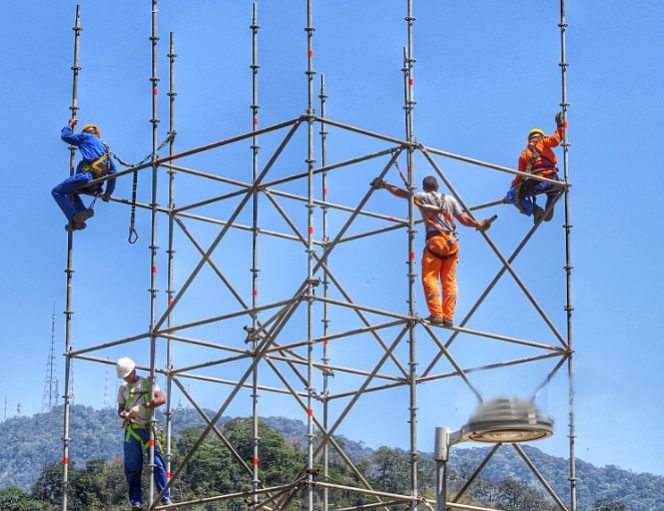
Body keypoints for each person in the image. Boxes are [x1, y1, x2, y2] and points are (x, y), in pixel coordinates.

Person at [372, 175, 492, 327]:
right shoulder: (449, 199)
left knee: (430, 277)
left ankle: (436, 314)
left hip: (436, 241)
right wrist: (478, 224)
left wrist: (384, 185)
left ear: (424, 188)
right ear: (438, 186)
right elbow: (463, 220)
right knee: (449, 280)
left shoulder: (422, 197)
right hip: (452, 242)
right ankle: (448, 317)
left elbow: (400, 192)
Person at [116, 357, 175, 511]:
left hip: (148, 429)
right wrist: (125, 414)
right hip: (132, 430)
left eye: (128, 376)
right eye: (124, 377)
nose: (126, 379)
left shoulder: (148, 382)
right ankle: (136, 502)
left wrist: (142, 407)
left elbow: (161, 399)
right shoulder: (123, 388)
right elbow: (120, 409)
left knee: (157, 463)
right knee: (132, 467)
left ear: (133, 371)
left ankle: (165, 498)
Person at [52, 118, 117, 232]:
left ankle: (72, 217)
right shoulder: (105, 151)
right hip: (95, 184)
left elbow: (66, 136)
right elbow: (113, 172)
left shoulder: (86, 137)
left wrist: (69, 125)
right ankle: (80, 217)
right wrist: (108, 192)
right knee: (72, 191)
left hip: (86, 177)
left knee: (57, 191)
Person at [505, 112, 564, 224]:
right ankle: (551, 197)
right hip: (553, 181)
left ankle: (534, 209)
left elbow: (520, 177)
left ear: (529, 139)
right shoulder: (544, 141)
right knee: (561, 184)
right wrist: (560, 126)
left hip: (538, 184)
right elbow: (556, 140)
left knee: (512, 195)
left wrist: (510, 194)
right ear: (540, 136)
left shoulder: (524, 154)